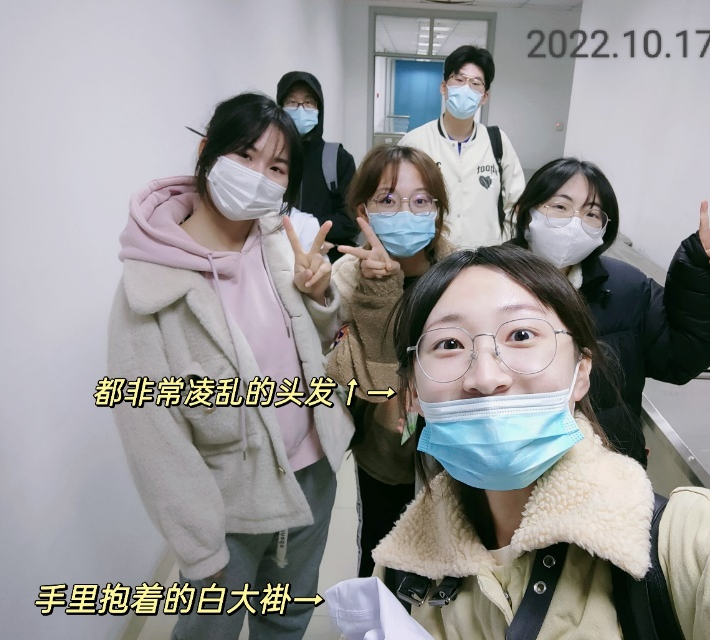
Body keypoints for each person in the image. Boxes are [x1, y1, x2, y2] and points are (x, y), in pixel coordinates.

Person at [365, 244, 710, 639]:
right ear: (413, 393)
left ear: (581, 373)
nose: (486, 376)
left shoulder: (683, 544)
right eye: (449, 344)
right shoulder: (403, 571)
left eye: (522, 334)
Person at [108, 92, 354, 640]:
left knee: (288, 617)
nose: (257, 176)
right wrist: (199, 546)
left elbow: (314, 345)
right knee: (209, 631)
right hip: (229, 504)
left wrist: (320, 296)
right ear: (206, 152)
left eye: (277, 167)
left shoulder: (279, 243)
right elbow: (152, 437)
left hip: (313, 471)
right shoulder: (151, 287)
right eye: (244, 155)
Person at [508, 158, 710, 464]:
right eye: (560, 206)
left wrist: (701, 272)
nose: (575, 223)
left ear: (604, 229)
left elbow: (682, 358)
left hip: (610, 470)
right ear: (526, 213)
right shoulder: (485, 283)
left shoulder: (627, 288)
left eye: (591, 214)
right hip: (510, 468)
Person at [325, 144, 456, 578]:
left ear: (436, 210)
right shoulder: (344, 281)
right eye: (388, 199)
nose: (405, 212)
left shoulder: (459, 273)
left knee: (444, 557)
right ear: (363, 209)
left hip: (451, 454)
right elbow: (348, 377)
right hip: (383, 455)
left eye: (420, 200)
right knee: (381, 552)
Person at [398, 45, 525, 249]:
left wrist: (503, 246)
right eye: (459, 80)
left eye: (475, 83)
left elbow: (516, 203)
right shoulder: (414, 142)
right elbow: (399, 201)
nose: (466, 88)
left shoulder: (497, 141)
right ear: (444, 87)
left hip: (487, 257)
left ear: (484, 97)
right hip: (430, 256)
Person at [277, 71, 359, 262]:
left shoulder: (338, 159)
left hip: (327, 260)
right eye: (291, 102)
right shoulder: (269, 157)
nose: (300, 109)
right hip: (275, 258)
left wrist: (307, 231)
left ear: (319, 109)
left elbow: (351, 220)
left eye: (309, 102)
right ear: (279, 108)